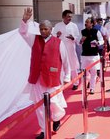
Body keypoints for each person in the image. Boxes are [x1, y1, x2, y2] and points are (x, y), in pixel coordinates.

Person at [19, 8, 71, 139]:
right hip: (37, 79)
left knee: (54, 103)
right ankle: (44, 130)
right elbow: (23, 32)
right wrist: (25, 20)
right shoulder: (34, 39)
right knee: (39, 107)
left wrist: (67, 76)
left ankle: (57, 118)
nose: (42, 31)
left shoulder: (58, 43)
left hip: (52, 78)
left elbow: (65, 61)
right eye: (41, 29)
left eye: (45, 29)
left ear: (50, 29)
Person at [52, 10, 80, 90]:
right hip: (60, 49)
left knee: (73, 66)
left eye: (71, 17)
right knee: (61, 67)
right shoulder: (58, 25)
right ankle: (61, 84)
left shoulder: (74, 26)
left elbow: (77, 37)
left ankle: (75, 83)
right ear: (63, 17)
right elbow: (53, 37)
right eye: (68, 16)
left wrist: (72, 37)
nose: (70, 18)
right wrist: (57, 35)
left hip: (71, 48)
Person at [80, 18, 104, 94]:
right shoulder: (82, 32)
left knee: (94, 73)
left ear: (92, 24)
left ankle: (92, 88)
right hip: (84, 55)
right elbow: (78, 41)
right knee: (84, 73)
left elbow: (102, 40)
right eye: (85, 22)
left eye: (88, 22)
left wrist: (97, 42)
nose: (86, 24)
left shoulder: (96, 31)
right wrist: (81, 40)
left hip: (94, 55)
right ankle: (85, 85)